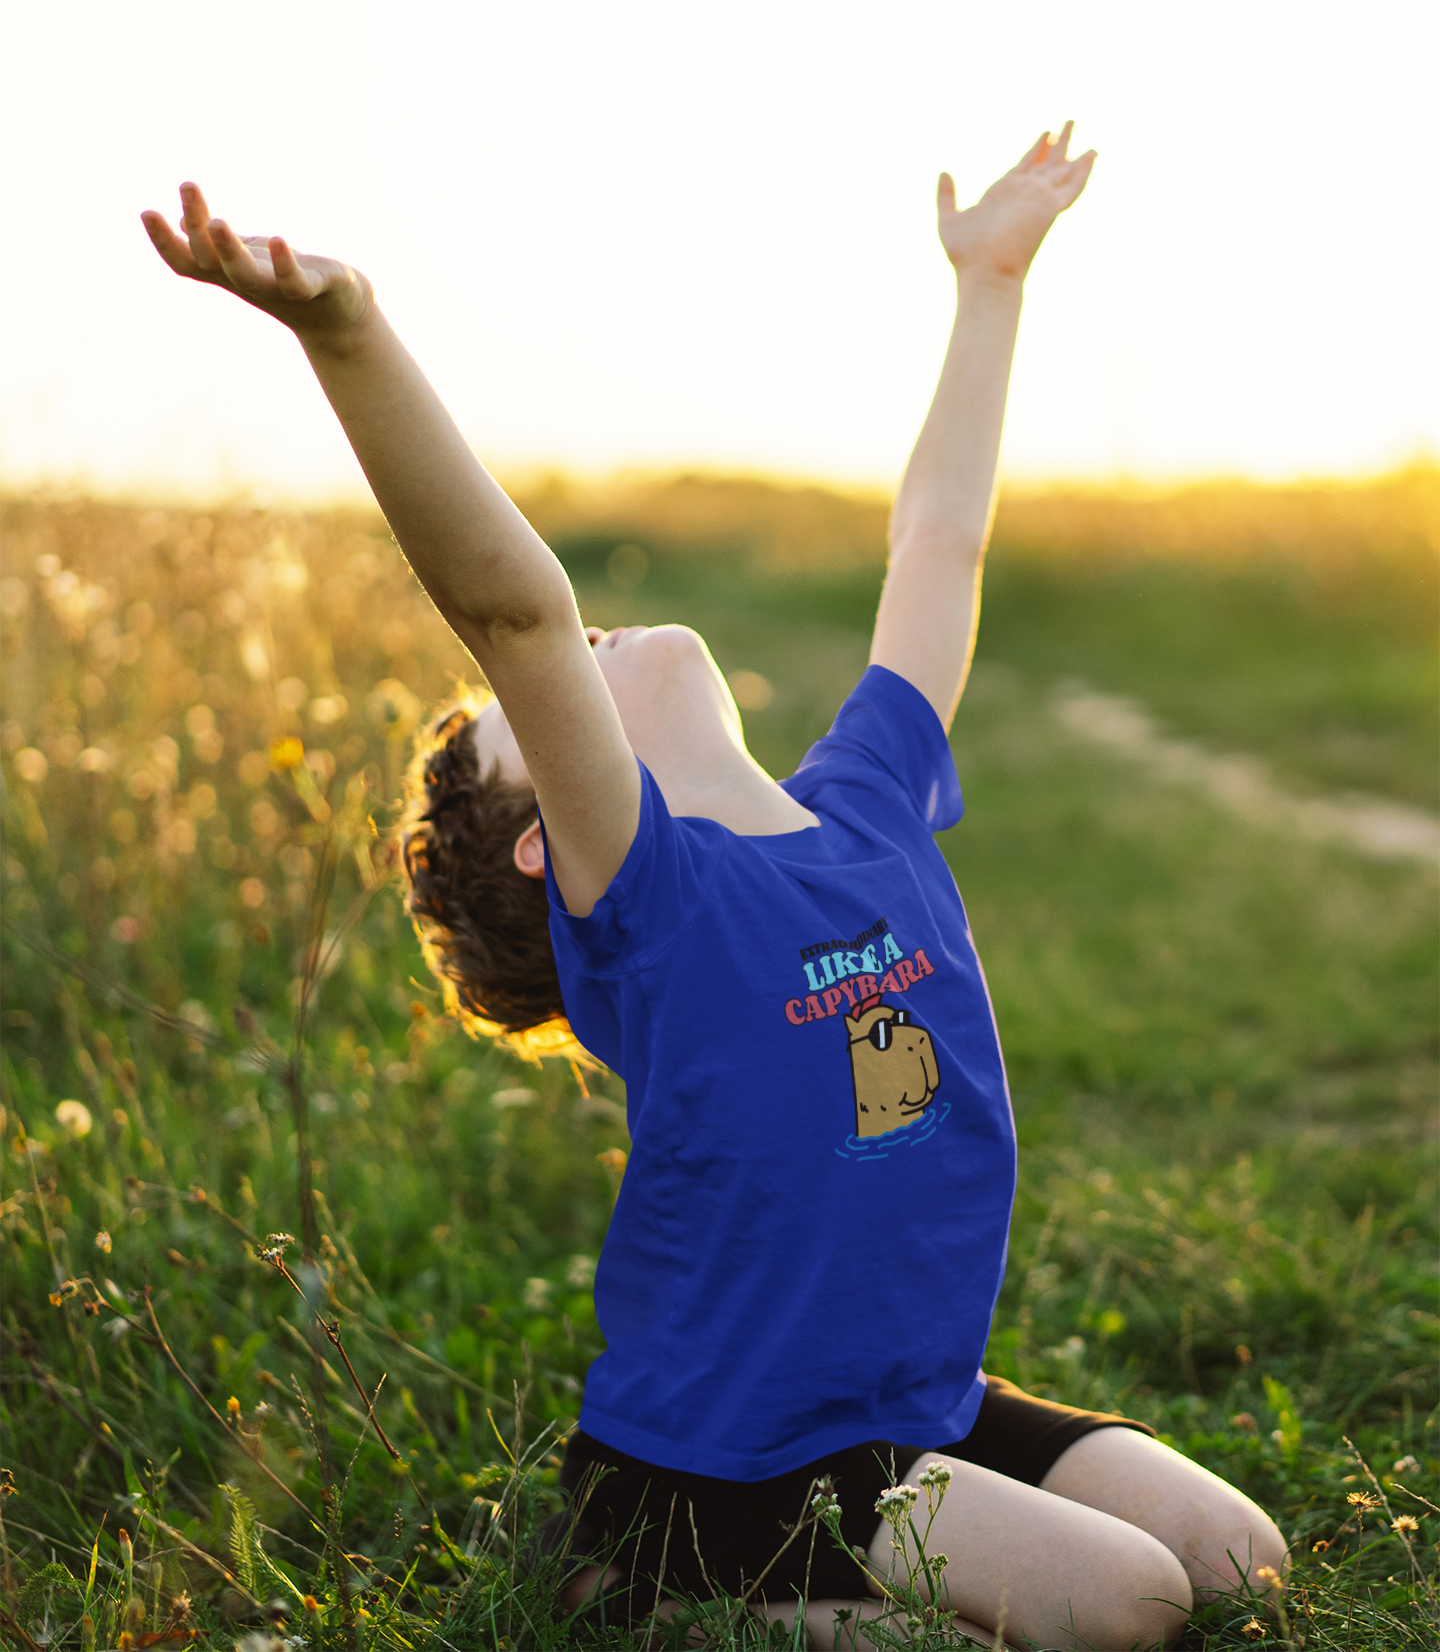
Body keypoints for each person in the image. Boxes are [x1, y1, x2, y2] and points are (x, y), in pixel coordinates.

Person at [142, 128, 1286, 1650]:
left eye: (584, 654)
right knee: (1129, 1607)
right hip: (729, 1462)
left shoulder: (864, 800)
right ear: (558, 841)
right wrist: (347, 332)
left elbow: (939, 539)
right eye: (546, 711)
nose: (597, 643)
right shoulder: (655, 900)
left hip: (912, 1407)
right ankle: (648, 1586)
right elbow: (511, 604)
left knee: (1236, 1557)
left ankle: (834, 1563)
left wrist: (990, 285)